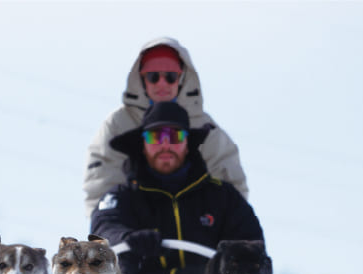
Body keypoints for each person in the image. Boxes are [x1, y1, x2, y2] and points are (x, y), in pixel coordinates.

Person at [90, 101, 266, 274]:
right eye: (155, 137)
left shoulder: (223, 198)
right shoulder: (121, 197)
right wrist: (127, 237)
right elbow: (103, 229)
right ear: (143, 144)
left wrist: (233, 261)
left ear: (187, 143)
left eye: (174, 136)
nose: (165, 145)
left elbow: (252, 249)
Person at [83, 37, 249, 218]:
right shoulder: (118, 125)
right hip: (136, 229)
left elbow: (231, 186)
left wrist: (224, 232)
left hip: (194, 230)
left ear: (182, 77)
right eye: (153, 77)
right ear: (141, 78)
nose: (162, 84)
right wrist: (110, 232)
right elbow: (101, 184)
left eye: (170, 77)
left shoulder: (204, 128)